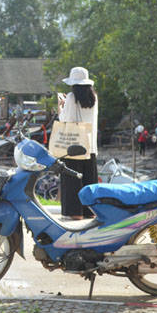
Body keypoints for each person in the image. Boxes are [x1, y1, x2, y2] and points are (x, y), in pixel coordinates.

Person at [58, 67, 98, 220]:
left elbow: (66, 119)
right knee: (89, 180)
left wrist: (61, 107)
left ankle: (75, 213)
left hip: (73, 145)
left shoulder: (71, 97)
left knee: (72, 181)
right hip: (90, 145)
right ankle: (89, 212)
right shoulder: (94, 97)